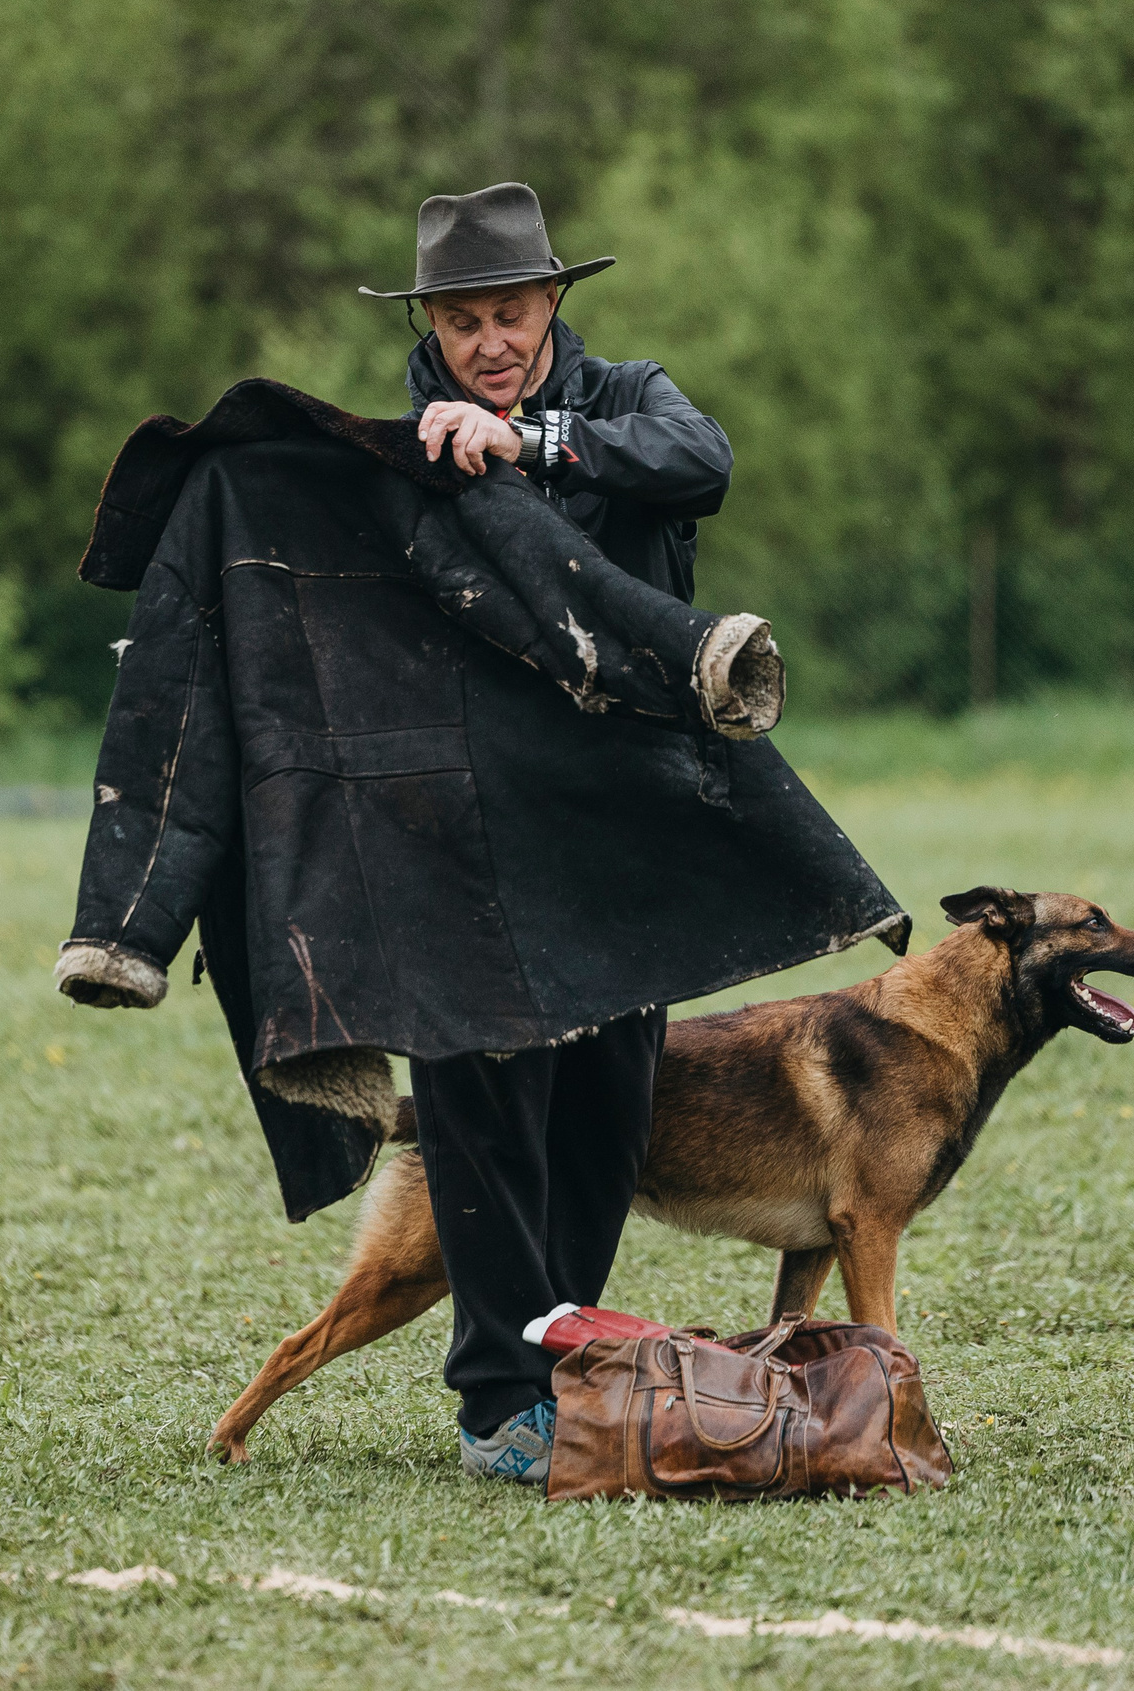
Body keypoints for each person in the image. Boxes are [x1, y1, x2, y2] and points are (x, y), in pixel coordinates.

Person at [359, 182, 733, 1483]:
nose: (489, 342)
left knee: (604, 1107)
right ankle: (496, 1398)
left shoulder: (631, 400)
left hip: (626, 818)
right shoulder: (390, 447)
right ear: (432, 326)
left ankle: (568, 1367)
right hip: (459, 832)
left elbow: (708, 465)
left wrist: (536, 446)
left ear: (554, 303)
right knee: (479, 1107)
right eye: (463, 322)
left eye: (509, 313)